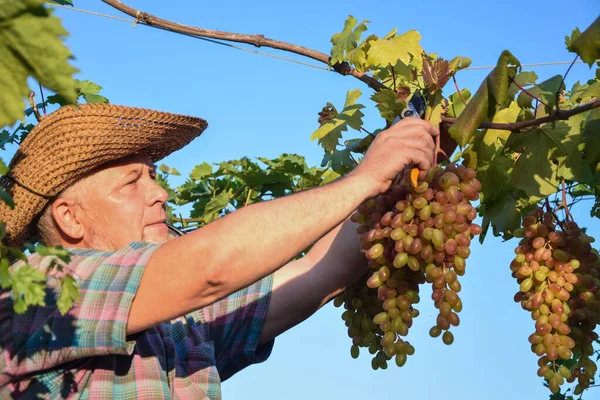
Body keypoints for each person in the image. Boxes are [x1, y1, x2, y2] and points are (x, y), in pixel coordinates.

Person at [0, 103, 438, 399]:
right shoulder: (39, 290)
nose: (161, 193)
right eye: (132, 182)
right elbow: (211, 265)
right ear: (69, 219)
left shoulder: (177, 326)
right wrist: (363, 179)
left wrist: (397, 179)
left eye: (153, 176)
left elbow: (323, 271)